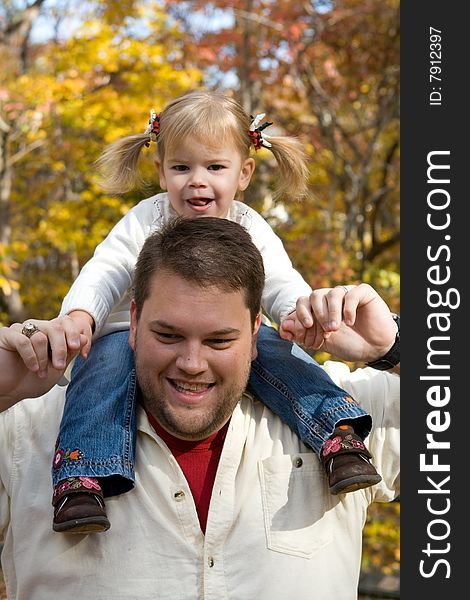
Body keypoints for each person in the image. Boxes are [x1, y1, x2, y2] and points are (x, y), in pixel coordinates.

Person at [0, 217, 399, 599]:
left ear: (257, 331)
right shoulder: (27, 433)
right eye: (168, 334)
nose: (192, 363)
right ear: (134, 322)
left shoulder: (339, 414)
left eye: (219, 341)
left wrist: (395, 346)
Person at [38, 90, 379, 534]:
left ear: (244, 173)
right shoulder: (146, 220)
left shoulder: (249, 225)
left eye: (215, 167)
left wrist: (299, 312)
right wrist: (81, 316)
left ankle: (336, 434)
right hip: (130, 335)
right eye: (182, 167)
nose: (197, 181)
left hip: (232, 334)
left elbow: (278, 278)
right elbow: (105, 270)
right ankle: (83, 477)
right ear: (161, 173)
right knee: (101, 368)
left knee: (280, 353)